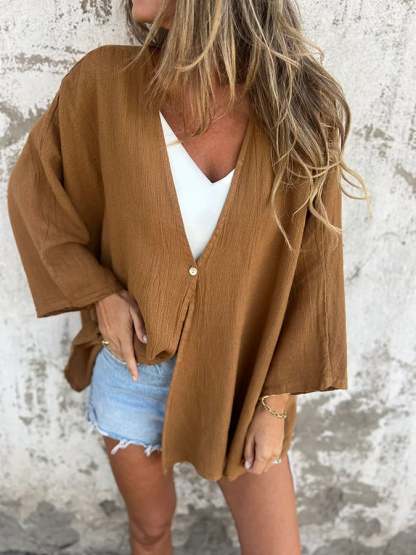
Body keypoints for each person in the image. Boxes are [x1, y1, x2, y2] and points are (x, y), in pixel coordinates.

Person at [7, 1, 369, 553]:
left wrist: (274, 405)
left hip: (242, 380)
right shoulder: (105, 82)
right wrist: (98, 292)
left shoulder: (298, 108)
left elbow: (315, 271)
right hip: (133, 372)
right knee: (150, 530)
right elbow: (37, 195)